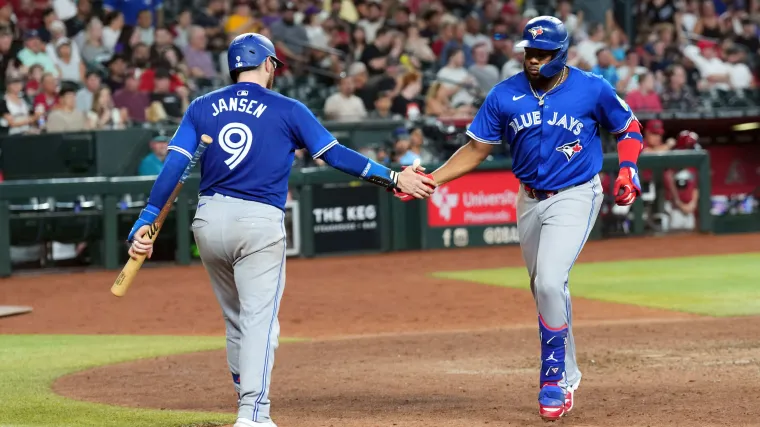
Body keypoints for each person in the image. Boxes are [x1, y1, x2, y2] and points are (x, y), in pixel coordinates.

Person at [125, 33, 435, 427]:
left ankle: (245, 396)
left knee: (237, 319)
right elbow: (333, 155)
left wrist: (147, 218)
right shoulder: (288, 108)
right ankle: (252, 414)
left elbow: (174, 166)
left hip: (208, 221)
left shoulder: (202, 106)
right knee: (259, 321)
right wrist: (393, 178)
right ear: (269, 65)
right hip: (257, 223)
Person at [395, 17, 643, 421]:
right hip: (528, 199)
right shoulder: (504, 94)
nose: (532, 60)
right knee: (545, 288)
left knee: (549, 280)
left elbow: (628, 127)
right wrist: (431, 181)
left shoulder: (591, 87)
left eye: (541, 53)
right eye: (528, 52)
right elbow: (476, 150)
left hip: (576, 194)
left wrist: (629, 169)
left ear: (560, 54)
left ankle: (552, 381)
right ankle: (570, 371)